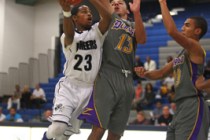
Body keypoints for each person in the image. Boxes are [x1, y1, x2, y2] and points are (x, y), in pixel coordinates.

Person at [135, 0, 209, 139]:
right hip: (180, 105)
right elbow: (161, 73)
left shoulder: (196, 48)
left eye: (187, 25)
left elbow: (171, 31)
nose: (183, 28)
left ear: (197, 31)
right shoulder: (182, 54)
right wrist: (145, 74)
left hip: (192, 104)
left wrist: (163, 3)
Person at [42, 0, 112, 140]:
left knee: (66, 134)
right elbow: (69, 35)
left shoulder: (97, 32)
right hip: (69, 86)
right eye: (84, 12)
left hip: (89, 90)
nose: (89, 14)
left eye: (90, 12)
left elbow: (108, 17)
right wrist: (66, 11)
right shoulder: (67, 36)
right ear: (75, 18)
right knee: (58, 129)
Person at [78, 0, 146, 139]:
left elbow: (142, 39)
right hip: (107, 74)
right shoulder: (108, 20)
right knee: (99, 128)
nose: (116, 4)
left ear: (128, 9)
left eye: (120, 2)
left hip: (127, 80)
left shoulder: (134, 25)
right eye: (113, 2)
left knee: (116, 133)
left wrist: (137, 12)